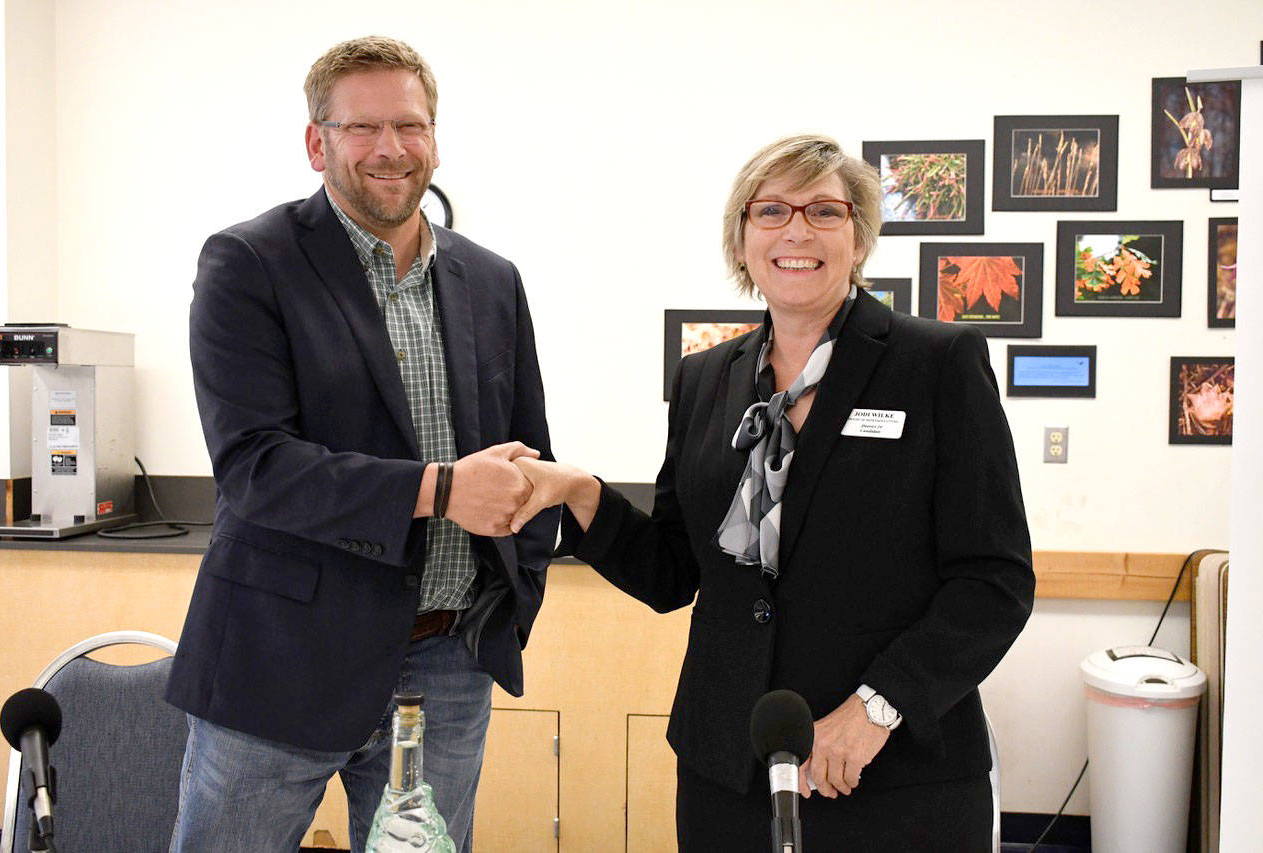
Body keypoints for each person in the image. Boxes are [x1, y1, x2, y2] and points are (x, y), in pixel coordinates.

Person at [510, 134, 1035, 851]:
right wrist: (578, 491)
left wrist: (875, 709)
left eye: (824, 210)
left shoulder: (937, 364)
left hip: (892, 773)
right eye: (772, 211)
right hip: (729, 767)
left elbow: (994, 581)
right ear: (742, 239)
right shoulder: (705, 379)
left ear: (858, 237)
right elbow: (674, 570)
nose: (797, 230)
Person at [166, 36, 557, 853]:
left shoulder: (492, 280)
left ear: (435, 138)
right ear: (318, 143)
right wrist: (441, 488)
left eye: (410, 126)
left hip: (448, 664)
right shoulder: (249, 263)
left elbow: (528, 457)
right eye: (362, 128)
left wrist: (510, 601)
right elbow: (255, 468)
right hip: (281, 664)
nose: (391, 149)